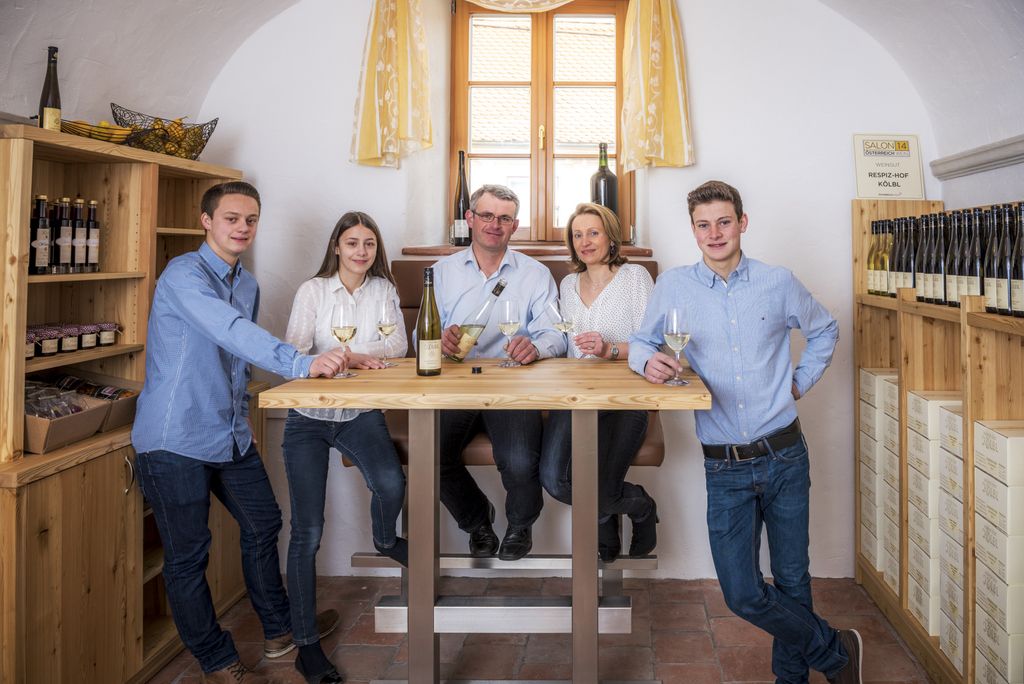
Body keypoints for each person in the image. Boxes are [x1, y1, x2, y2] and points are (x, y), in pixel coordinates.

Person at [629, 180, 861, 684]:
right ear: (693, 230)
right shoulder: (674, 286)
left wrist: (797, 383)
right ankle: (835, 652)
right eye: (703, 225)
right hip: (724, 462)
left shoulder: (778, 282)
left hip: (784, 454)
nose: (714, 234)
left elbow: (824, 329)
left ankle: (792, 679)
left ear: (743, 223)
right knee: (742, 592)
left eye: (724, 222)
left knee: (794, 577)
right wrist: (649, 361)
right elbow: (639, 343)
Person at [132, 181, 345, 684]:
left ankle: (279, 632)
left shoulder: (246, 282)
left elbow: (233, 359)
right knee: (188, 558)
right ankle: (217, 660)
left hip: (229, 433)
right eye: (231, 218)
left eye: (250, 219)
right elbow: (229, 331)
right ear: (206, 221)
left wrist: (241, 408)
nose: (242, 228)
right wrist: (301, 362)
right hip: (172, 438)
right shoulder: (183, 275)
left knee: (264, 524)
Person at [281, 211, 408, 683]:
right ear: (336, 246)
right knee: (307, 533)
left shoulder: (384, 291)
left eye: (369, 244)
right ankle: (307, 646)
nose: (361, 251)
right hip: (308, 420)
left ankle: (384, 539)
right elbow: (295, 353)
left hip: (360, 414)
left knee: (392, 486)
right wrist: (351, 355)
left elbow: (398, 347)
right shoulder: (312, 291)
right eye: (352, 242)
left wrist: (349, 356)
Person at [432, 184, 566, 560]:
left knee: (522, 462)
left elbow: (554, 333)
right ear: (471, 219)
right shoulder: (440, 273)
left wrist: (535, 347)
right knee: (429, 455)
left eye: (504, 218)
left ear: (515, 225)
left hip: (513, 383)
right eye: (487, 215)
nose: (495, 224)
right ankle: (477, 521)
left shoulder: (536, 274)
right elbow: (420, 334)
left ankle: (521, 524)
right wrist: (438, 341)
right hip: (455, 382)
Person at [539, 202, 656, 561]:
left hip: (626, 396)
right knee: (556, 481)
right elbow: (563, 342)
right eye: (577, 235)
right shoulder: (568, 283)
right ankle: (621, 515)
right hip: (576, 396)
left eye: (593, 232)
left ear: (610, 237)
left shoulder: (635, 277)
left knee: (604, 491)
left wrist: (609, 350)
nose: (585, 241)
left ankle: (640, 509)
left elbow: (653, 343)